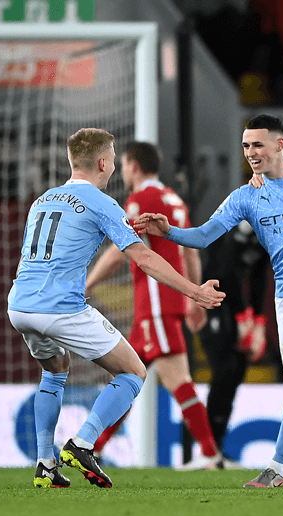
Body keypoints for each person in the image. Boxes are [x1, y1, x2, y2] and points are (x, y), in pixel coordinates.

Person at [135, 115, 283, 488]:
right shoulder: (246, 195)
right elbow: (206, 235)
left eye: (257, 144)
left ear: (279, 144)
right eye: (246, 146)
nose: (251, 153)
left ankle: (276, 468)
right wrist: (169, 231)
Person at [6, 128, 225, 489]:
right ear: (104, 163)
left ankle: (45, 463)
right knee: (133, 372)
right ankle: (83, 442)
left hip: (20, 305)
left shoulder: (42, 200)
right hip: (61, 307)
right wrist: (194, 292)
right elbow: (143, 258)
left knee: (55, 368)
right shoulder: (103, 202)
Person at [84, 141, 222, 470]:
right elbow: (190, 251)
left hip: (157, 302)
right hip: (164, 304)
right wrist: (193, 297)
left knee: (174, 378)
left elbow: (121, 251)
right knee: (128, 376)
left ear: (133, 166)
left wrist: (87, 283)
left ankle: (209, 453)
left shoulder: (141, 200)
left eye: (124, 165)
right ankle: (94, 446)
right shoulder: (174, 199)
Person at [199, 221, 270, 459]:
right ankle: (205, 448)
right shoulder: (233, 224)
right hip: (214, 304)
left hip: (238, 309)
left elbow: (260, 277)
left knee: (235, 371)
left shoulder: (267, 232)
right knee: (223, 370)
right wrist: (242, 315)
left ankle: (216, 447)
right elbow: (225, 270)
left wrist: (258, 321)